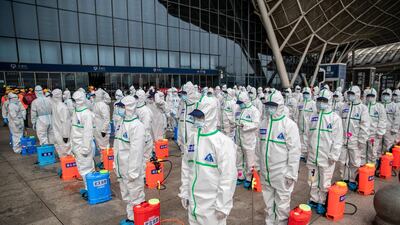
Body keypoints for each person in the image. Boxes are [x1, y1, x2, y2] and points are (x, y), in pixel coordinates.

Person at [179, 95, 237, 225]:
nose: (197, 120)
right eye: (196, 116)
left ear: (210, 115)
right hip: (194, 203)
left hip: (212, 207)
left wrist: (223, 205)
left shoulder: (222, 142)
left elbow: (228, 177)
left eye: (201, 116)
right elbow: (186, 167)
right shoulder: (193, 138)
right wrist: (184, 191)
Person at [258, 90, 301, 225]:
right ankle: (270, 223)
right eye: (268, 105)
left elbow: (295, 152)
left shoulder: (289, 125)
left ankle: (281, 223)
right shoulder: (263, 123)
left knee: (282, 204)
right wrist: (258, 166)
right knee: (269, 203)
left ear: (280, 106)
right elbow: (259, 147)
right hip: (266, 172)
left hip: (282, 173)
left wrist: (291, 173)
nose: (269, 108)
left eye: (273, 105)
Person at [305, 89, 343, 215]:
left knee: (324, 181)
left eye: (324, 100)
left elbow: (338, 139)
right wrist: (306, 151)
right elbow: (308, 135)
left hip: (326, 157)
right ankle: (313, 199)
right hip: (312, 156)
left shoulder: (334, 118)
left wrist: (333, 155)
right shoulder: (313, 116)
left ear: (329, 101)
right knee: (312, 179)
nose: (321, 103)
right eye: (319, 100)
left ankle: (322, 201)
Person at [113, 96, 145, 225]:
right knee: (126, 195)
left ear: (129, 108)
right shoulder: (121, 122)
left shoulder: (137, 126)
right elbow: (117, 145)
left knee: (135, 196)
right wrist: (115, 165)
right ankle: (131, 218)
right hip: (122, 168)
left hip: (132, 170)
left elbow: (136, 152)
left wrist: (133, 172)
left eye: (122, 107)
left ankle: (137, 219)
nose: (119, 109)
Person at [339, 86, 370, 191]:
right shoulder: (343, 107)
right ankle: (344, 178)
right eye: (349, 93)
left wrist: (362, 140)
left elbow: (364, 126)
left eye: (352, 94)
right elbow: (338, 123)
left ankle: (352, 180)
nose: (349, 96)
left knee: (354, 162)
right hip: (343, 140)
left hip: (355, 140)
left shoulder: (363, 108)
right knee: (342, 161)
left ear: (357, 94)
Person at [71, 91, 95, 196]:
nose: (76, 102)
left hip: (84, 145)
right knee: (83, 168)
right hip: (77, 144)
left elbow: (88, 134)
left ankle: (90, 190)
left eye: (77, 100)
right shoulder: (76, 111)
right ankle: (89, 188)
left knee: (87, 169)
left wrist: (85, 149)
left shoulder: (86, 114)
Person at [235, 91, 260, 188]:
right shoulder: (241, 109)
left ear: (245, 101)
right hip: (239, 139)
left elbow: (256, 124)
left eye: (241, 103)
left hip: (248, 140)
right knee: (239, 159)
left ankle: (249, 178)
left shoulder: (254, 111)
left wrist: (244, 125)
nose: (239, 105)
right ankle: (240, 176)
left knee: (250, 161)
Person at [363, 88, 386, 164]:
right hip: (364, 134)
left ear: (375, 96)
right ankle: (363, 168)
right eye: (368, 95)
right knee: (362, 152)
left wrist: (380, 132)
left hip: (374, 134)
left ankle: (371, 168)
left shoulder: (379, 107)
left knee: (372, 152)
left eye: (372, 96)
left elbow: (382, 120)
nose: (370, 97)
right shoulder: (363, 106)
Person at [135, 89, 154, 169]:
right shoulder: (136, 109)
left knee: (145, 158)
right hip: (137, 137)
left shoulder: (145, 111)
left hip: (144, 138)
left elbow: (146, 127)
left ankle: (146, 176)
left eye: (137, 97)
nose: (135, 99)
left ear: (142, 98)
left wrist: (144, 139)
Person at [177, 82, 199, 149]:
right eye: (182, 94)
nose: (182, 96)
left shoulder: (196, 106)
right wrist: (179, 139)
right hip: (183, 143)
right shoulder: (183, 104)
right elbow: (181, 125)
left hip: (192, 144)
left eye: (184, 93)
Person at [297, 87, 316, 161]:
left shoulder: (313, 104)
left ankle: (308, 155)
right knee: (301, 139)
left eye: (307, 93)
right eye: (304, 93)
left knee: (308, 139)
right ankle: (302, 154)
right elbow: (297, 114)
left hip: (309, 125)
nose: (305, 95)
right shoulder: (300, 103)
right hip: (300, 125)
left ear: (310, 94)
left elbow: (315, 115)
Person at [51, 89, 71, 157]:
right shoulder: (55, 106)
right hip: (57, 131)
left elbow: (66, 122)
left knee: (65, 150)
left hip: (62, 132)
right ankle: (64, 164)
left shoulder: (62, 107)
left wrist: (65, 135)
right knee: (60, 149)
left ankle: (68, 165)